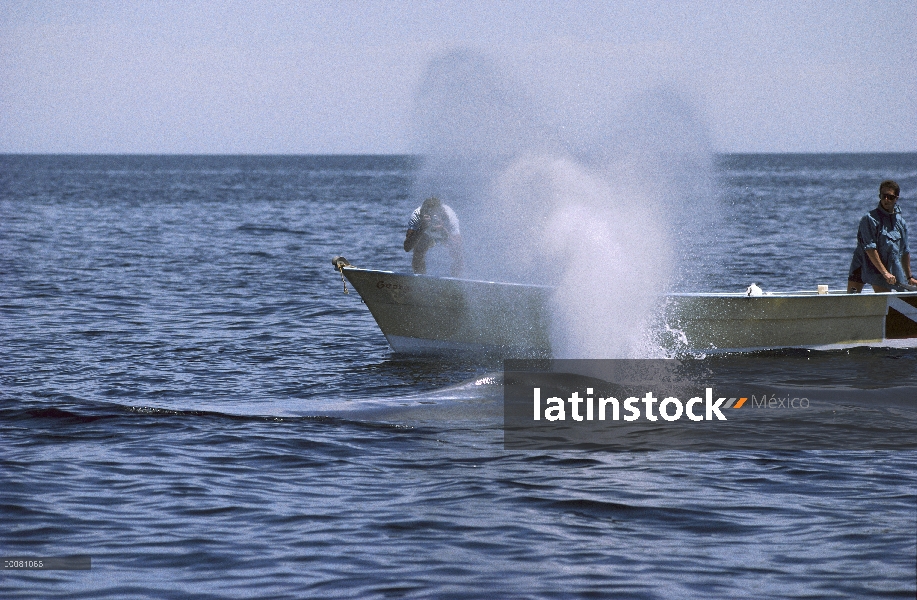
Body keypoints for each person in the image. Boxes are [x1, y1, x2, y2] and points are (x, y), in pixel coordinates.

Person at [847, 180, 917, 293]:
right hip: (862, 266)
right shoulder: (869, 219)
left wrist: (909, 277)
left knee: (887, 300)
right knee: (850, 303)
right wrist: (885, 273)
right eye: (883, 196)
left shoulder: (900, 223)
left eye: (890, 197)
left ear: (896, 198)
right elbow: (870, 249)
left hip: (883, 271)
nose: (886, 200)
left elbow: (905, 251)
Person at [403, 196, 463, 276]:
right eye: (428, 214)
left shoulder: (449, 216)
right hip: (425, 234)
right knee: (418, 252)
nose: (432, 218)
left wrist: (444, 231)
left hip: (444, 231)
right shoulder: (417, 215)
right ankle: (420, 280)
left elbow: (458, 245)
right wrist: (421, 229)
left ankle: (456, 280)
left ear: (441, 213)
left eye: (434, 215)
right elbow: (407, 247)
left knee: (458, 254)